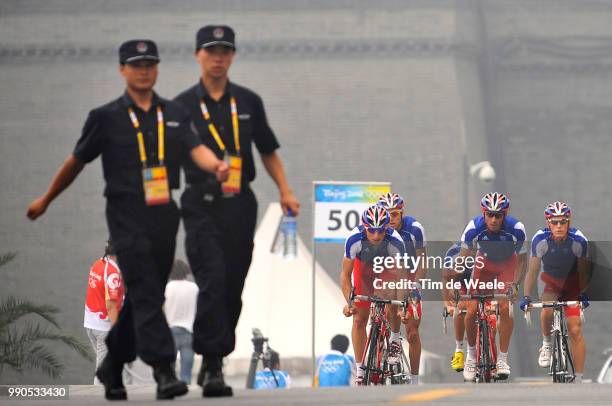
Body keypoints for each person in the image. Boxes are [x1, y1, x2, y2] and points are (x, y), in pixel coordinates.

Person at [26, 39, 228, 400]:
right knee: (148, 292)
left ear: (157, 68)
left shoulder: (175, 112)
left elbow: (195, 148)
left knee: (142, 293)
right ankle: (164, 369)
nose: (144, 70)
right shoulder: (105, 118)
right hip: (125, 214)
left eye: (150, 63)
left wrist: (215, 165)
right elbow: (77, 161)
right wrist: (47, 198)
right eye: (136, 64)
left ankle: (111, 365)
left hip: (164, 212)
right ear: (122, 69)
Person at [173, 25, 300, 397]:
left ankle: (216, 354)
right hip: (200, 203)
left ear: (232, 56)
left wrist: (286, 191)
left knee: (232, 285)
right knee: (211, 278)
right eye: (211, 51)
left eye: (225, 51)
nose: (218, 58)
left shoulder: (247, 102)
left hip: (240, 204)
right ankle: (212, 363)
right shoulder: (180, 106)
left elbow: (267, 150)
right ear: (198, 54)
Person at [455, 192, 527, 381]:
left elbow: (522, 262)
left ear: (505, 214)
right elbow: (462, 259)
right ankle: (471, 355)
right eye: (490, 215)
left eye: (498, 215)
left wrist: (515, 284)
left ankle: (502, 359)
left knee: (506, 307)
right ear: (483, 213)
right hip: (484, 264)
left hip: (507, 265)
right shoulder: (473, 227)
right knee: (470, 311)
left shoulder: (516, 228)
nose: (494, 220)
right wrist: (457, 285)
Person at [520, 201, 590, 383]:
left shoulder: (579, 240)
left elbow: (584, 272)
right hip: (550, 281)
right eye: (555, 222)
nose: (559, 226)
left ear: (569, 222)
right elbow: (533, 271)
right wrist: (526, 296)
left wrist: (583, 294)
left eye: (563, 222)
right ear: (548, 223)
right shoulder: (540, 239)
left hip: (572, 283)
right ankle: (547, 344)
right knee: (547, 309)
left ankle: (580, 377)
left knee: (575, 329)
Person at [341, 205, 406, 385]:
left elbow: (401, 277)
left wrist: (400, 305)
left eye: (380, 231)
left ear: (387, 228)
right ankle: (361, 370)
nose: (376, 236)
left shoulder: (395, 241)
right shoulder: (354, 239)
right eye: (371, 231)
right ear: (364, 227)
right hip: (364, 270)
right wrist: (350, 302)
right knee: (359, 319)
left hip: (387, 268)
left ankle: (394, 340)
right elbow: (345, 276)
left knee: (392, 298)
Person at [377, 193, 425, 384]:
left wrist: (415, 285)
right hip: (385, 278)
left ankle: (414, 378)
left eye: (395, 214)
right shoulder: (377, 230)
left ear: (402, 213)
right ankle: (392, 341)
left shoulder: (414, 229)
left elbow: (423, 263)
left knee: (412, 332)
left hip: (410, 278)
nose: (391, 219)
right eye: (387, 215)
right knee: (388, 297)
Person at [84, 240, 124, 385]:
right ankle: (98, 397)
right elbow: (111, 305)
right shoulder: (112, 273)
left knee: (109, 364)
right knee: (103, 370)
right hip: (104, 328)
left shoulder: (97, 264)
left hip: (91, 324)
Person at [164, 259, 199, 384]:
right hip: (189, 331)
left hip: (171, 332)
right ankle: (187, 394)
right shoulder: (194, 287)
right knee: (186, 372)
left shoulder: (167, 288)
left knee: (169, 369)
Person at [441, 242, 472, 373]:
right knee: (460, 306)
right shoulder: (454, 251)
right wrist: (447, 304)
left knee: (492, 313)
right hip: (461, 281)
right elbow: (446, 280)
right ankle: (459, 350)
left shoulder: (490, 248)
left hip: (483, 281)